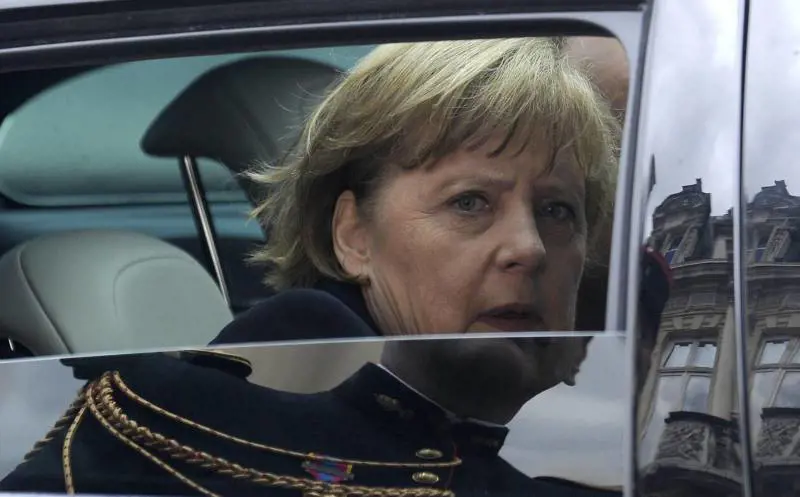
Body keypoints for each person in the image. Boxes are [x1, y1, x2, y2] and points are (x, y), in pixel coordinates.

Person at [0, 37, 668, 497]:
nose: (530, 247)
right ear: (353, 236)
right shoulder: (210, 410)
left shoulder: (508, 436)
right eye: (470, 202)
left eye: (557, 211)